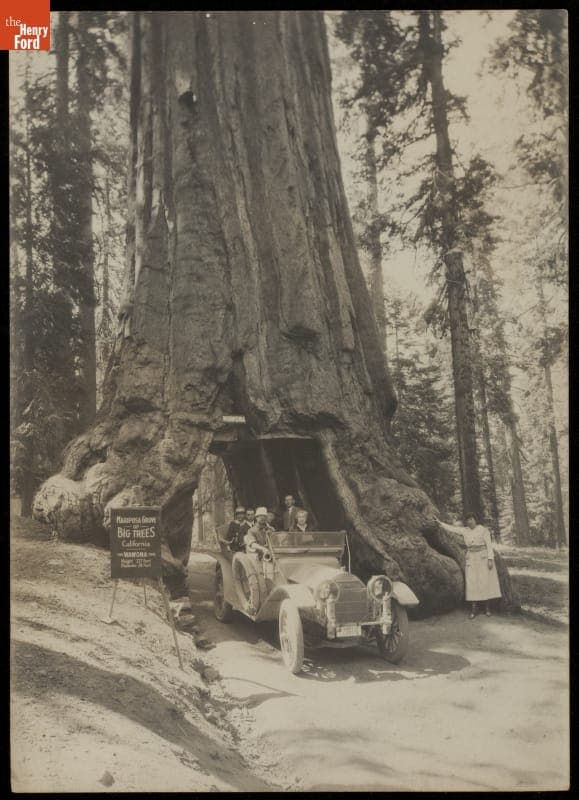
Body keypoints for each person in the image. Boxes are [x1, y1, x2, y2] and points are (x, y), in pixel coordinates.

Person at [437, 513, 502, 618]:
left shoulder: (483, 530)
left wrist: (490, 559)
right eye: (467, 520)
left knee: (484, 581)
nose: (469, 522)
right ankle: (474, 609)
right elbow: (452, 529)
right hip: (471, 558)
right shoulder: (464, 530)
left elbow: (489, 546)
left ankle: (487, 608)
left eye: (471, 519)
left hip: (483, 557)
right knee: (472, 582)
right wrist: (440, 523)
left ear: (475, 519)